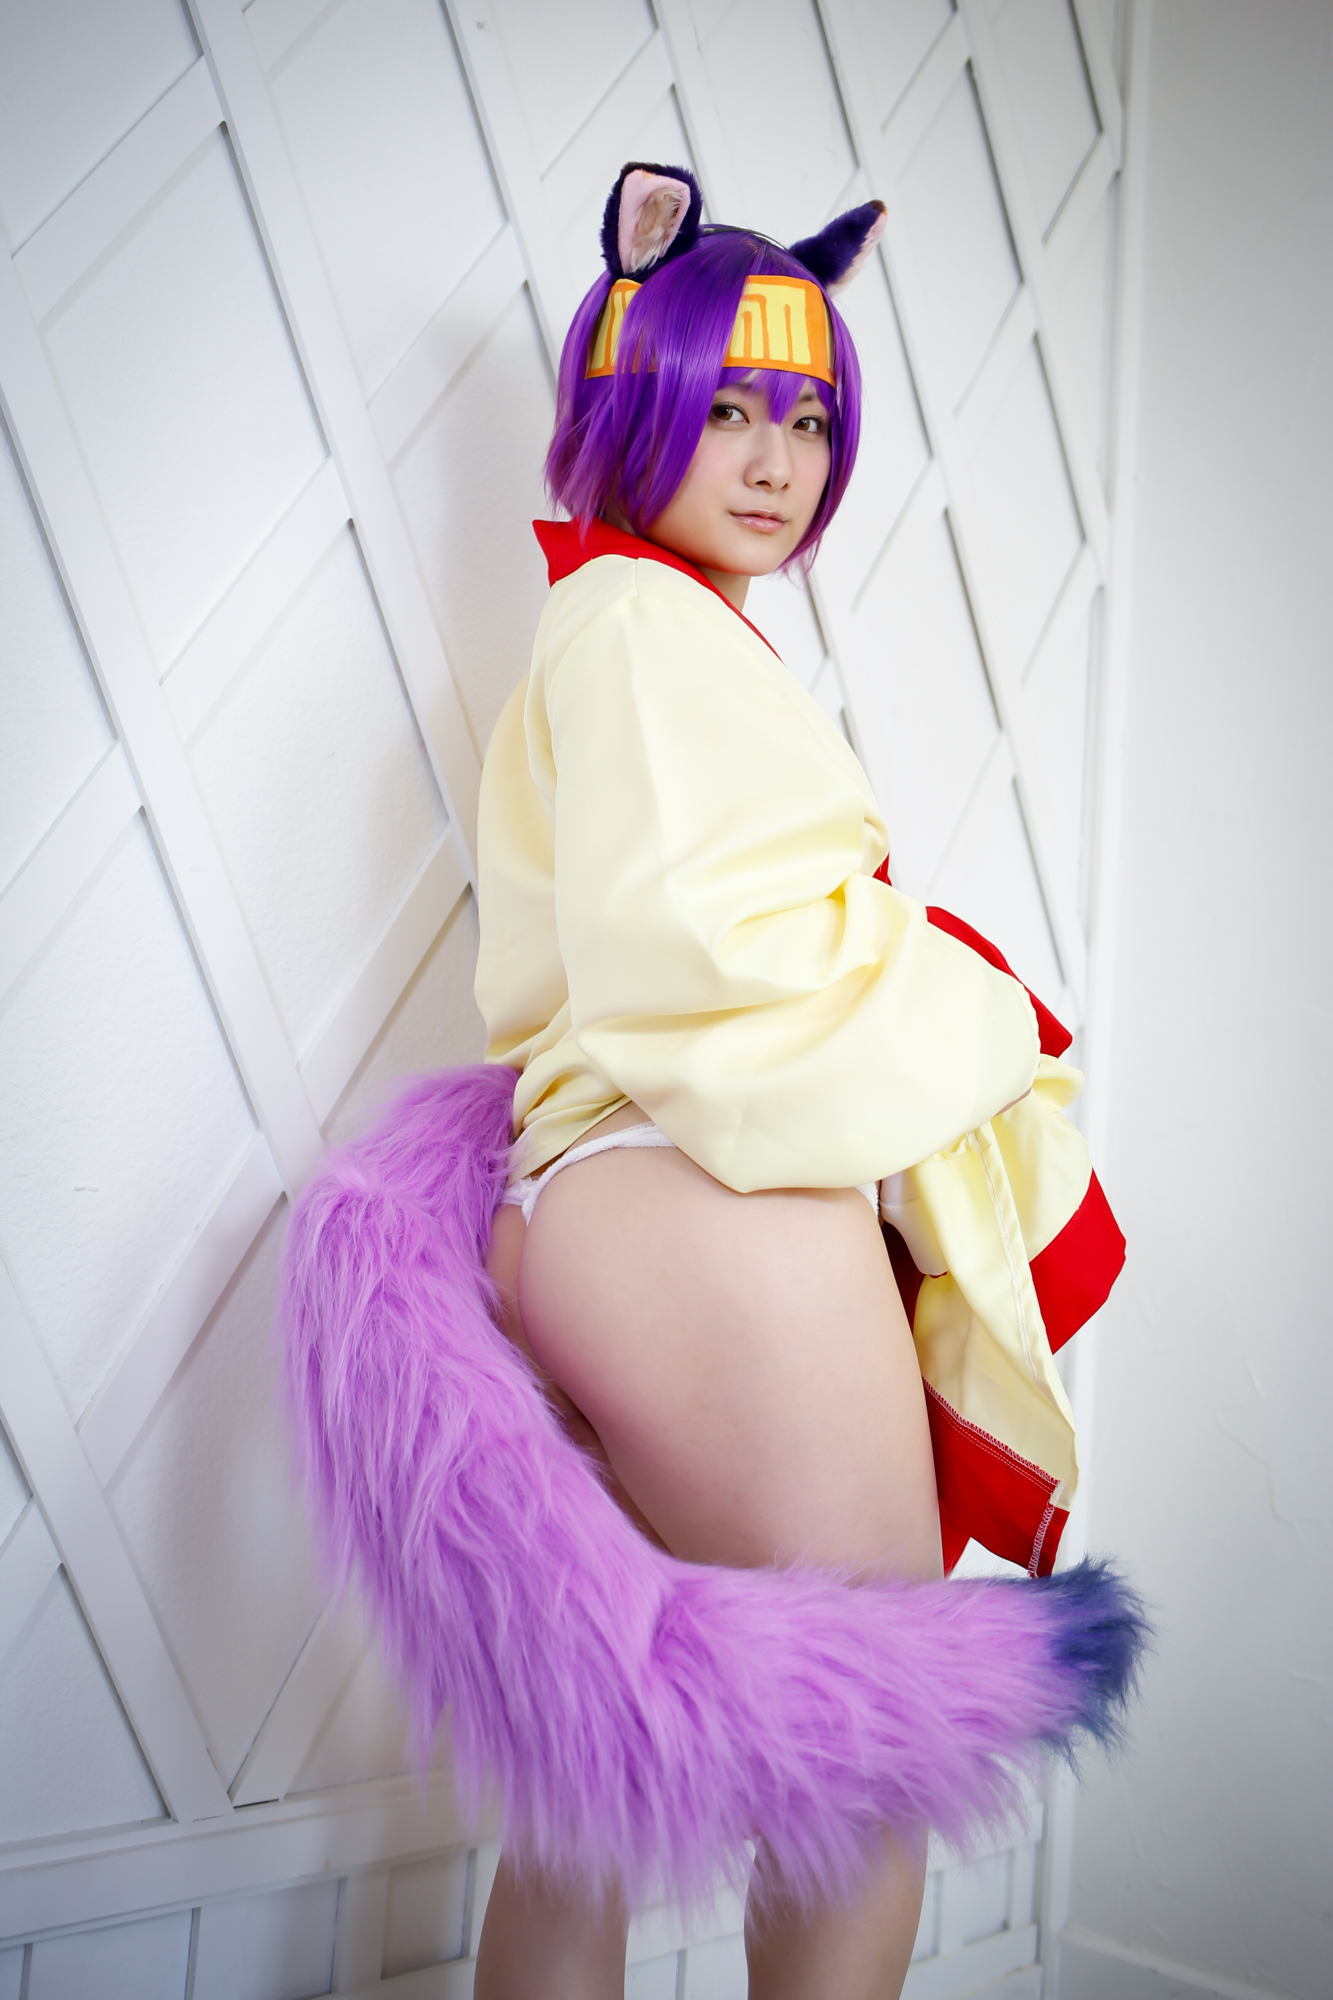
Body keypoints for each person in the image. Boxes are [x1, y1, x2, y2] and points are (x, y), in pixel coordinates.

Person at [468, 164, 1055, 1999]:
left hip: (604, 1194)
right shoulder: (642, 625)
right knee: (874, 1734)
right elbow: (707, 953)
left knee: (589, 1769)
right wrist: (972, 1003)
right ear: (628, 396)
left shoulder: (632, 619)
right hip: (678, 1190)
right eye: (726, 407)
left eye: (806, 420)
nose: (775, 459)